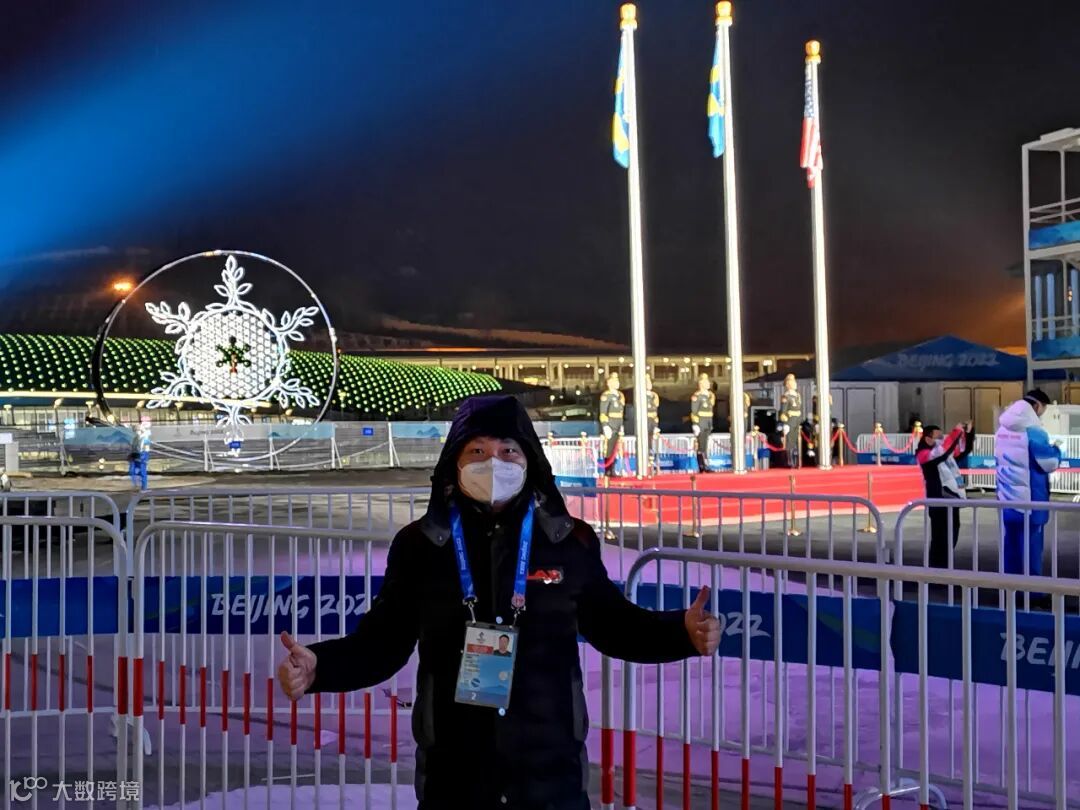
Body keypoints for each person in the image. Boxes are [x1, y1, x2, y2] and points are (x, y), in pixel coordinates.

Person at [276, 395, 719, 810]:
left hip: (549, 776)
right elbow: (382, 643)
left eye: (508, 451)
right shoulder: (421, 545)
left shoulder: (568, 541)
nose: (494, 463)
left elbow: (613, 624)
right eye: (478, 452)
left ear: (529, 460)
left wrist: (680, 632)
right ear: (454, 463)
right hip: (455, 777)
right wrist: (320, 666)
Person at [995, 389, 1061, 577]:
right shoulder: (1035, 433)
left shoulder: (1001, 430)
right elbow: (1049, 463)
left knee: (1011, 548)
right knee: (1031, 551)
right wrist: (1056, 450)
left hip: (1007, 499)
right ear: (1037, 406)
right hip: (1031, 500)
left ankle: (1010, 587)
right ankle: (1032, 590)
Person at [916, 422, 974, 568]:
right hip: (939, 501)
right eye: (939, 436)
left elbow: (964, 450)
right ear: (928, 438)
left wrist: (968, 433)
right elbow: (942, 452)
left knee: (952, 536)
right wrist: (956, 431)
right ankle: (937, 570)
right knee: (940, 539)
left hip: (952, 499)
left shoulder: (945, 455)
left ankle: (945, 569)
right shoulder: (924, 455)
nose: (942, 439)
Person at [597, 372, 625, 476]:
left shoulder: (620, 395)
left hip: (618, 424)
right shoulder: (606, 395)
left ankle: (613, 469)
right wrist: (605, 425)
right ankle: (608, 470)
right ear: (609, 383)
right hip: (610, 424)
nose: (617, 383)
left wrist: (621, 425)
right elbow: (603, 413)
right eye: (614, 381)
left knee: (616, 449)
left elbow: (621, 412)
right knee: (609, 449)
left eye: (617, 380)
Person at [690, 373, 716, 473]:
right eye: (706, 382)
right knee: (701, 445)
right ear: (701, 383)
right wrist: (695, 424)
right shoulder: (697, 396)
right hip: (701, 422)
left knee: (705, 445)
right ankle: (702, 465)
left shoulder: (709, 396)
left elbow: (710, 410)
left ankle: (704, 464)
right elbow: (694, 411)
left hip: (708, 422)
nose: (708, 383)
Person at [778, 374, 802, 469]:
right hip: (790, 419)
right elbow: (783, 410)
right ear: (787, 384)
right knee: (789, 442)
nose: (794, 383)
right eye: (791, 382)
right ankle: (790, 462)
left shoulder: (797, 395)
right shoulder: (786, 396)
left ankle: (797, 461)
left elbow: (799, 408)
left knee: (796, 442)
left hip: (797, 420)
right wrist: (785, 422)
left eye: (794, 381)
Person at [644, 373, 660, 473]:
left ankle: (653, 462)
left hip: (652, 421)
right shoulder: (641, 395)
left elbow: (655, 411)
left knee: (652, 442)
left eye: (649, 382)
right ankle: (646, 462)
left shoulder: (654, 395)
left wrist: (656, 425)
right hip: (645, 420)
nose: (649, 384)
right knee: (646, 442)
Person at [128, 422, 151, 491]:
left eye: (137, 430)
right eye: (135, 431)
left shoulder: (145, 439)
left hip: (142, 456)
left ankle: (144, 487)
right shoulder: (135, 439)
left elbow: (147, 450)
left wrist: (143, 458)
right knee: (132, 470)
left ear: (141, 430)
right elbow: (133, 448)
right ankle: (136, 484)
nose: (136, 432)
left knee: (142, 471)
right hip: (135, 455)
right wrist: (131, 455)